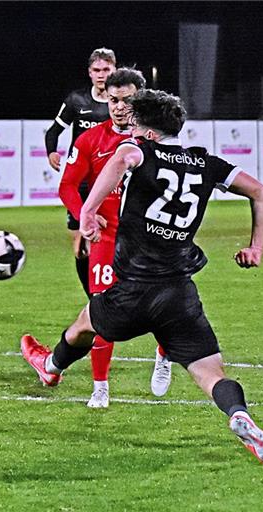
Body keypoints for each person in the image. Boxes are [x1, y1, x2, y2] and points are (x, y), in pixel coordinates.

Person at [21, 89, 263, 465]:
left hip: (132, 291)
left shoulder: (139, 150)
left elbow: (123, 158)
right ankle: (238, 414)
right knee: (210, 373)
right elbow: (261, 192)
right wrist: (255, 247)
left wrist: (89, 210)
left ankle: (50, 368)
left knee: (83, 325)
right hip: (179, 294)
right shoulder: (205, 163)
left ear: (144, 130)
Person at [58, 67, 170, 408]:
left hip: (148, 238)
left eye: (127, 100)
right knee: (102, 309)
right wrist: (84, 219)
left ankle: (164, 356)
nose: (119, 107)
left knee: (165, 303)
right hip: (106, 240)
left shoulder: (155, 138)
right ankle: (100, 388)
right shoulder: (90, 140)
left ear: (140, 99)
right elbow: (67, 186)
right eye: (113, 99)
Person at [45, 47, 117, 296]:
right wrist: (52, 152)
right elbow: (53, 131)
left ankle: (110, 297)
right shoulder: (77, 101)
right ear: (89, 72)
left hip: (112, 183)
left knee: (113, 240)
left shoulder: (119, 103)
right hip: (83, 183)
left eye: (106, 69)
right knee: (81, 248)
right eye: (97, 70)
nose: (101, 75)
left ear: (114, 70)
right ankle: (93, 300)